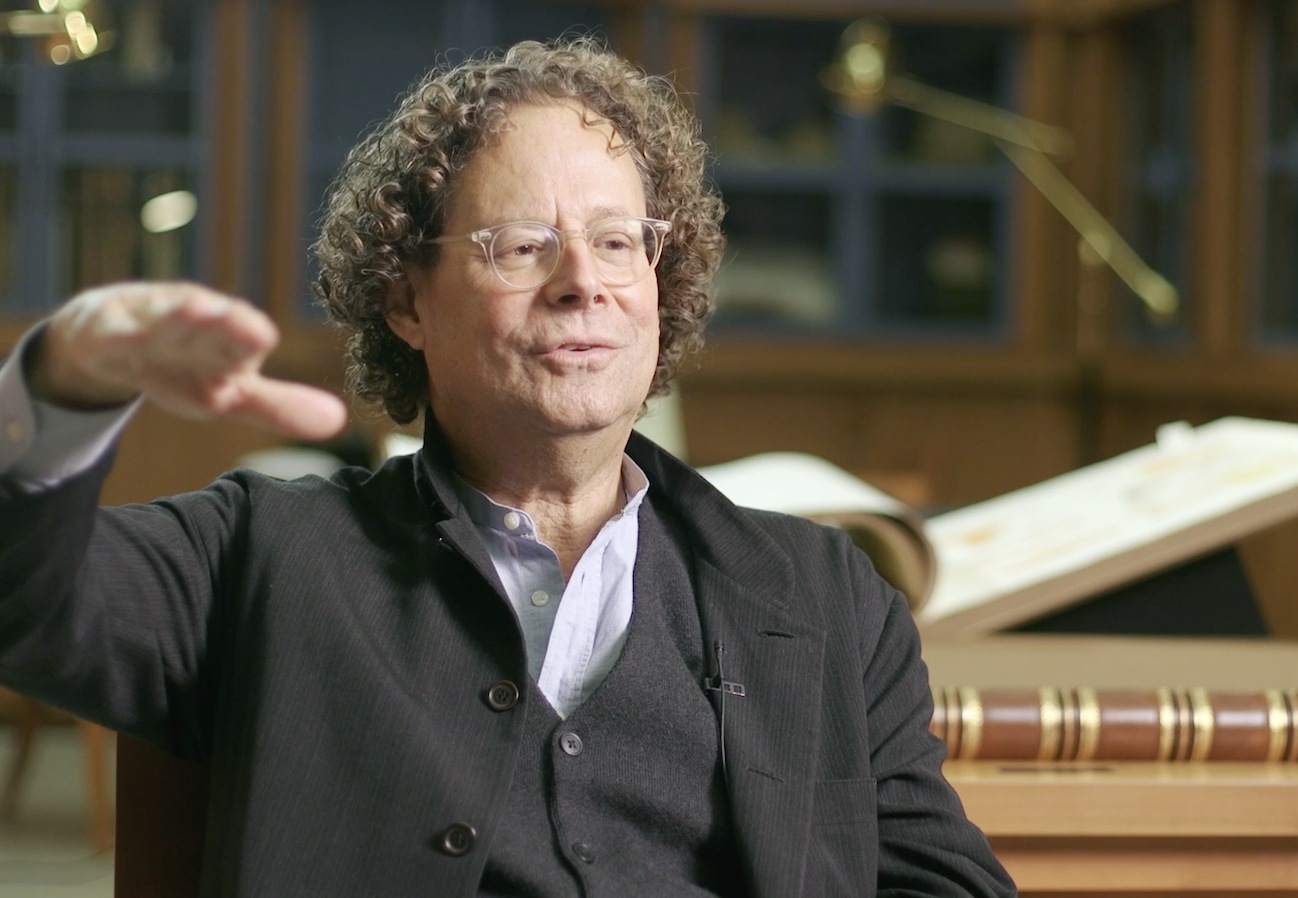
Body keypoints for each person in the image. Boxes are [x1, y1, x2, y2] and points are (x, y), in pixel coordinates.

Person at [0, 38, 1016, 898]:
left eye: (618, 242)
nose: (584, 284)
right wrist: (62, 388)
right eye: (521, 246)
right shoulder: (257, 553)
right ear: (406, 301)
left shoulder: (830, 599)